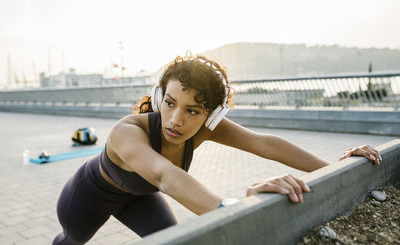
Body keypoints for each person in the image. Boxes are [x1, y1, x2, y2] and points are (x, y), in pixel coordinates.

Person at [53, 53, 381, 244]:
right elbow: (165, 176)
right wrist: (234, 209)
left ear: (212, 114)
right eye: (169, 103)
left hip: (139, 198)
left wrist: (337, 169)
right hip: (89, 196)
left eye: (193, 111)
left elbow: (264, 144)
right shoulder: (126, 132)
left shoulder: (206, 130)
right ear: (158, 98)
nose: (176, 120)